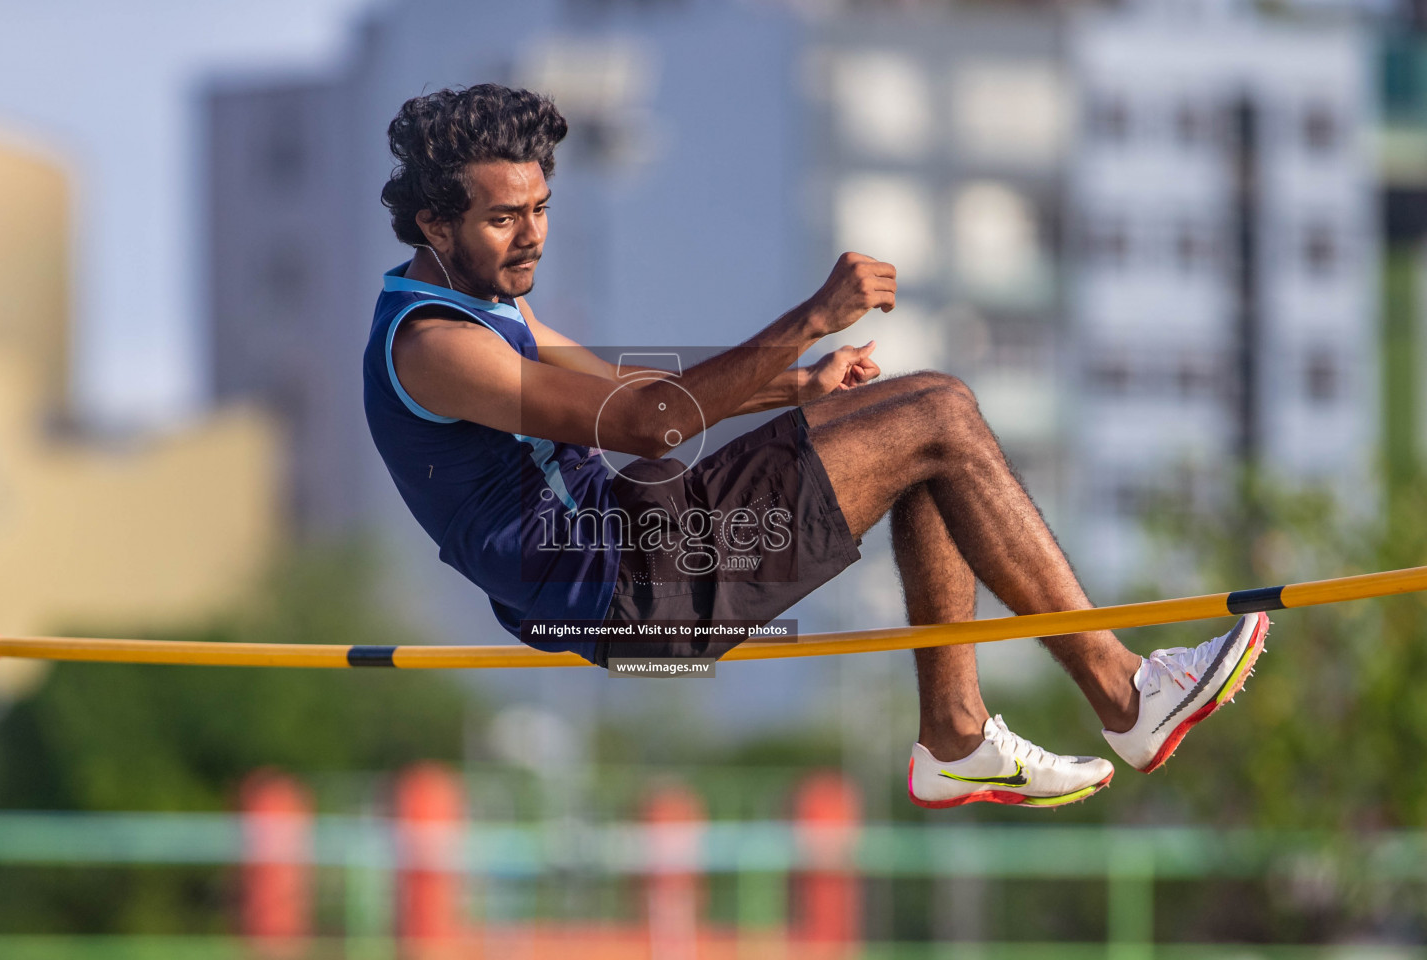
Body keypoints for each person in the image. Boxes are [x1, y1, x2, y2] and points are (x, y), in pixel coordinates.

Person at [361, 84, 1270, 809]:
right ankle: (1126, 694)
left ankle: (956, 737)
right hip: (628, 580)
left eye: (541, 208)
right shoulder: (435, 346)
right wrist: (809, 319)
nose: (531, 238)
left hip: (634, 544)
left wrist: (796, 386)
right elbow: (643, 427)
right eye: (502, 219)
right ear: (434, 225)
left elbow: (628, 397)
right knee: (941, 413)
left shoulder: (491, 298)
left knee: (922, 433)